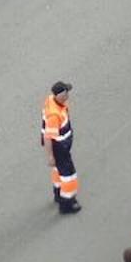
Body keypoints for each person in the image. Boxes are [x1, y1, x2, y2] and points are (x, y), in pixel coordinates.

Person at [42, 80, 80, 214]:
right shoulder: (54, 115)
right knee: (69, 176)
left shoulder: (51, 100)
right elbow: (48, 136)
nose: (68, 96)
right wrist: (51, 156)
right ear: (60, 95)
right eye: (66, 93)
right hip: (59, 148)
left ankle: (58, 194)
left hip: (59, 146)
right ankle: (67, 204)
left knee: (57, 171)